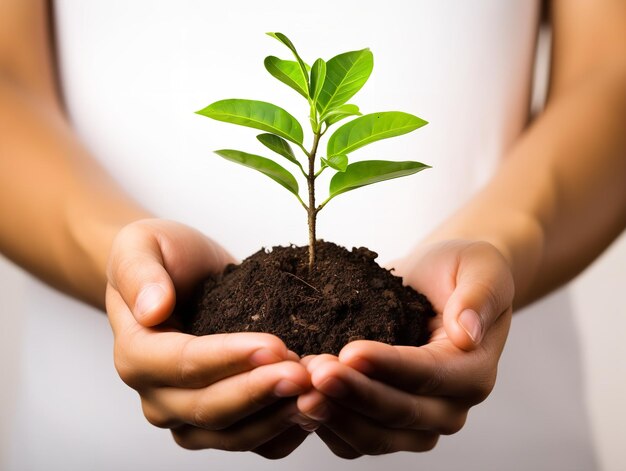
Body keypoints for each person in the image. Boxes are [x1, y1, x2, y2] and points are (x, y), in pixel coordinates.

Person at [0, 0, 624, 469]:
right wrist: (125, 261)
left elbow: (610, 71)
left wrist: (503, 248)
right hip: (89, 442)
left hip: (512, 441)